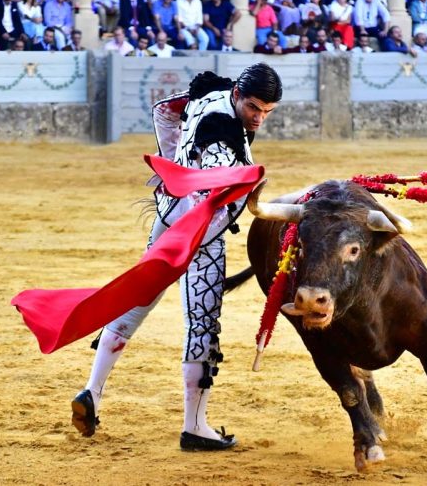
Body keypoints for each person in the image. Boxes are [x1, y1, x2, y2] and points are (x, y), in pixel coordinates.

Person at [70, 63, 283, 451]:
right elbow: (217, 196)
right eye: (254, 108)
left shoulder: (211, 92)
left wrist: (175, 170)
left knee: (136, 301)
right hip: (198, 233)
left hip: (168, 216)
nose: (259, 119)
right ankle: (195, 425)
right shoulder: (221, 134)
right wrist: (245, 193)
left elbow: (164, 110)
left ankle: (92, 391)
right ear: (238, 94)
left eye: (267, 112)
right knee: (202, 322)